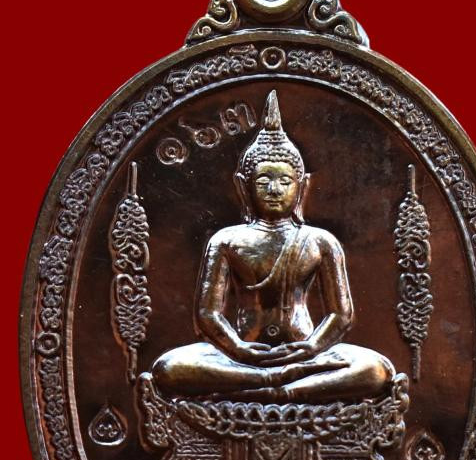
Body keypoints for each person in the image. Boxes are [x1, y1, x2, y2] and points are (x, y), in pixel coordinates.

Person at [152, 90, 395, 403]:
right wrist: (238, 349)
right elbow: (207, 314)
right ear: (244, 186)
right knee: (170, 368)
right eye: (263, 180)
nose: (274, 189)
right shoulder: (226, 240)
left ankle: (275, 387)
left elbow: (341, 314)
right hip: (241, 357)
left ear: (301, 186)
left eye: (285, 181)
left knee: (375, 370)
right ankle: (276, 383)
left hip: (305, 355)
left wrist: (311, 347)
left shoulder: (320, 241)